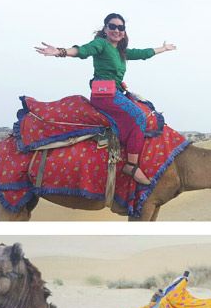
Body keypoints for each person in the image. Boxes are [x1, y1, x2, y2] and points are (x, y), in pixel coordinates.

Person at [35, 13, 176, 185]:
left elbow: (143, 53)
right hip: (104, 95)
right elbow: (82, 51)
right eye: (112, 26)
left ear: (124, 32)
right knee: (139, 116)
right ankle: (131, 165)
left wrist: (163, 48)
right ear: (105, 29)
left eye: (120, 27)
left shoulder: (121, 51)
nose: (117, 30)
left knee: (145, 109)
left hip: (116, 92)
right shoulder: (101, 44)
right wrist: (60, 51)